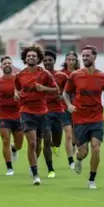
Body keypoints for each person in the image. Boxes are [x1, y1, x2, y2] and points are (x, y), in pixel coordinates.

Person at [63, 45, 104, 189]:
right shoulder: (75, 75)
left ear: (95, 57)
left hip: (97, 118)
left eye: (88, 56)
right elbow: (65, 93)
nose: (85, 58)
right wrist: (69, 105)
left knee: (96, 148)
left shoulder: (103, 77)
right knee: (83, 152)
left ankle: (92, 179)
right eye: (83, 56)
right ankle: (78, 158)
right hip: (79, 118)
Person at [14, 44, 58, 185]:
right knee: (32, 143)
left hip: (43, 113)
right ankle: (35, 175)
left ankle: (40, 166)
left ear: (38, 58)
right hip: (27, 112)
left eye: (34, 56)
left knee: (41, 143)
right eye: (29, 56)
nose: (31, 58)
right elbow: (16, 88)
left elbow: (56, 90)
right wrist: (16, 94)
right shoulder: (20, 75)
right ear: (25, 58)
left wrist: (43, 88)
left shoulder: (45, 74)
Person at [41, 50, 69, 178]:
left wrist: (66, 100)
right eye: (45, 60)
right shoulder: (39, 75)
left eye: (50, 60)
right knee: (46, 140)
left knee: (56, 140)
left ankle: (55, 145)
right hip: (43, 111)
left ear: (54, 61)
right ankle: (50, 169)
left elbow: (68, 91)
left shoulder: (62, 76)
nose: (47, 62)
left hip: (58, 110)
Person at [0, 56, 23, 176]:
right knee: (5, 140)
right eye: (4, 63)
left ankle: (14, 149)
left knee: (19, 144)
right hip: (4, 115)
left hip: (18, 115)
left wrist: (19, 95)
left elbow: (25, 93)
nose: (7, 65)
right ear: (1, 66)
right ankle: (9, 168)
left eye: (9, 63)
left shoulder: (18, 80)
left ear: (12, 65)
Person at [61, 51, 80, 159]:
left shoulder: (80, 73)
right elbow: (58, 89)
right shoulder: (61, 74)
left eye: (73, 59)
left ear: (76, 61)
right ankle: (70, 160)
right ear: (65, 60)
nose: (71, 61)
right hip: (64, 108)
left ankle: (74, 145)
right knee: (68, 134)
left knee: (75, 135)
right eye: (69, 59)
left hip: (77, 107)